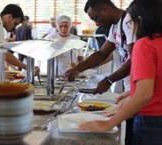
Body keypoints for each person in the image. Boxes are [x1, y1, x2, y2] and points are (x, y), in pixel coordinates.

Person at [79, 1, 162, 145]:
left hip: (149, 119)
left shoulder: (144, 45)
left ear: (139, 20)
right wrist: (130, 94)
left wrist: (109, 123)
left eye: (131, 21)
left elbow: (144, 94)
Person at [65, 0, 135, 144]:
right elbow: (102, 53)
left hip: (138, 86)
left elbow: (135, 59)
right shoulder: (115, 25)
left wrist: (109, 80)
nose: (96, 24)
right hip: (129, 87)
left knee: (132, 133)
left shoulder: (128, 21)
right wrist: (77, 69)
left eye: (95, 18)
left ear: (105, 10)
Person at [0, 4, 27, 70]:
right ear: (9, 16)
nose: (14, 27)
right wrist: (26, 67)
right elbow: (3, 53)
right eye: (15, 24)